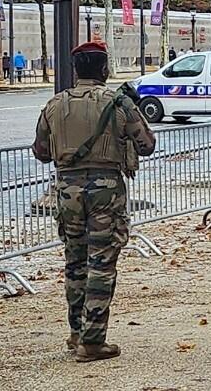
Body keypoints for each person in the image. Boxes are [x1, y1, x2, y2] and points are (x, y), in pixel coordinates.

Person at [31, 41, 156, 362]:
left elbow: (41, 152)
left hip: (67, 191)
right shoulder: (118, 104)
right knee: (101, 262)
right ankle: (93, 339)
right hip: (105, 192)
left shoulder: (54, 105)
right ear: (104, 69)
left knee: (75, 261)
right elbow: (146, 145)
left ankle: (76, 332)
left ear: (75, 70)